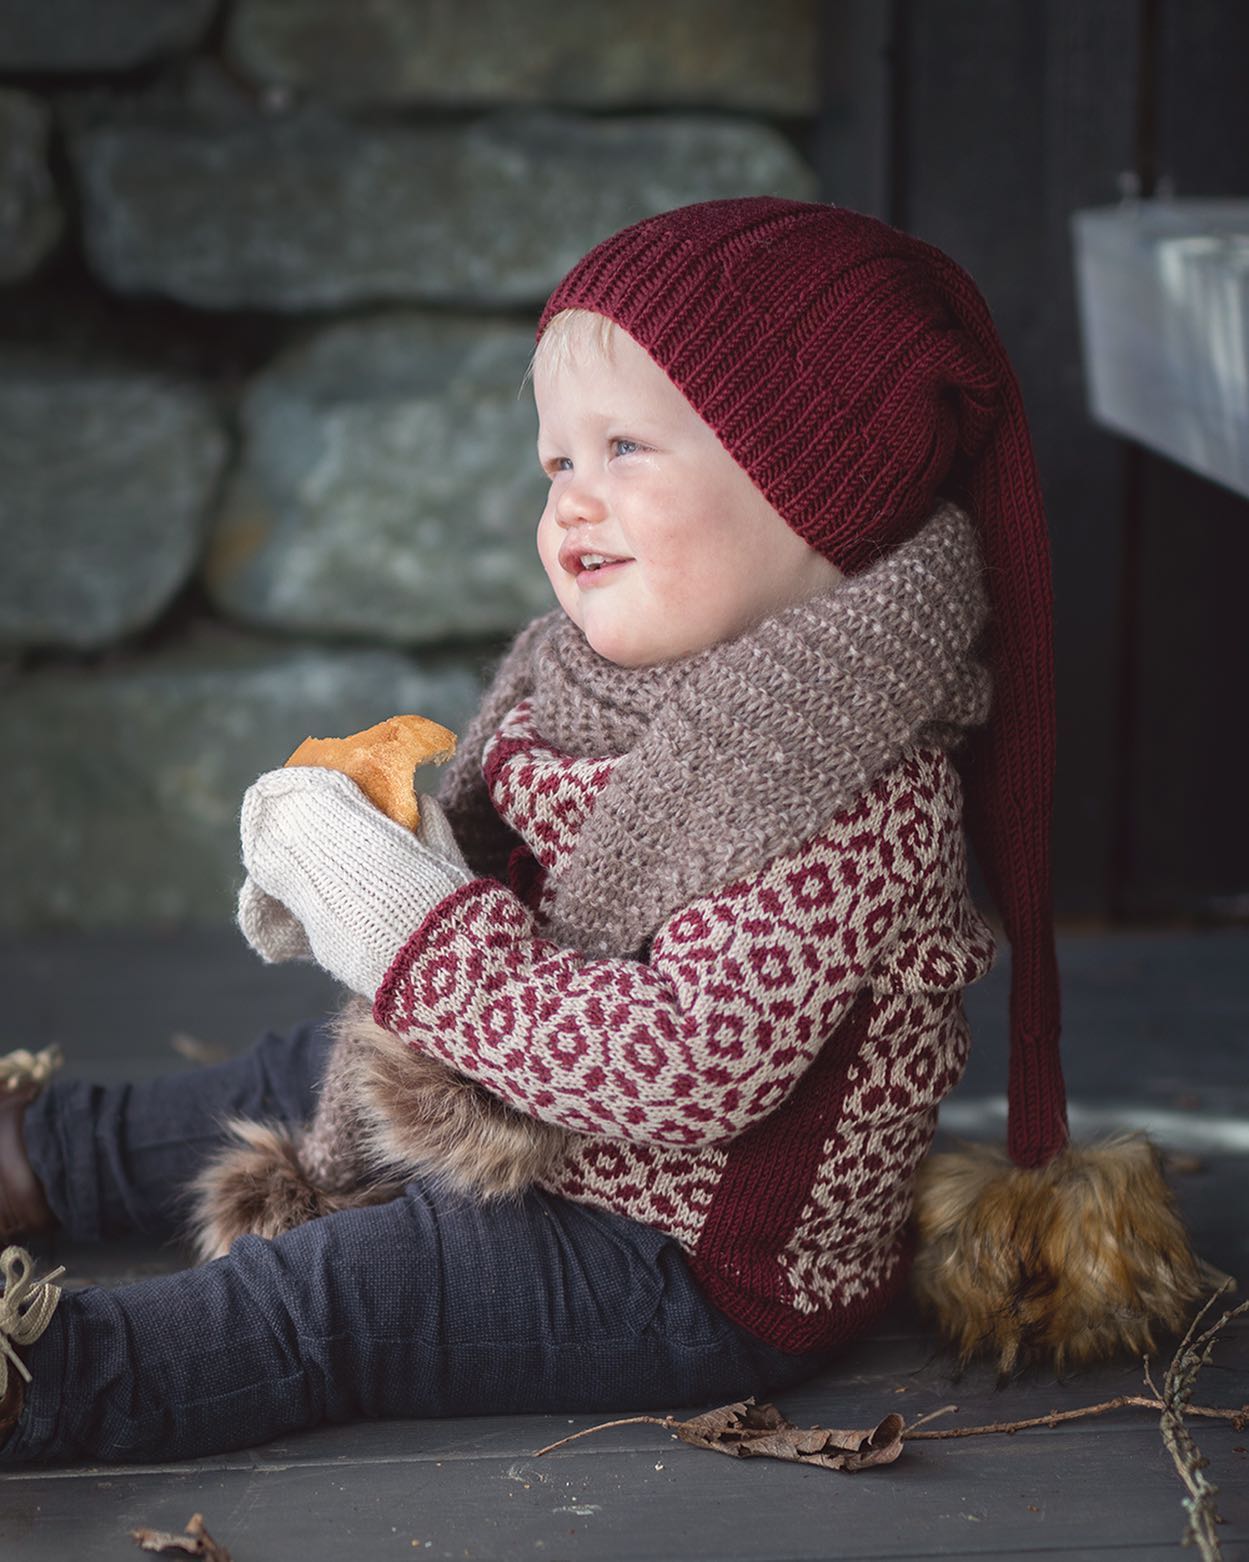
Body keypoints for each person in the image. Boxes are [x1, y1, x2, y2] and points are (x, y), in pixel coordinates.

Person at [0, 197, 1207, 1466]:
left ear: (815, 495)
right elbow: (502, 888)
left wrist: (417, 933)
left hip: (693, 1257)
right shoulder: (578, 682)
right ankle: (36, 1155)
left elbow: (689, 1065)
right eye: (555, 462)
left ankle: (61, 1377)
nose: (571, 503)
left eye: (624, 447)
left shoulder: (855, 795)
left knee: (358, 1285)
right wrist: (376, 856)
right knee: (289, 1067)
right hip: (539, 1123)